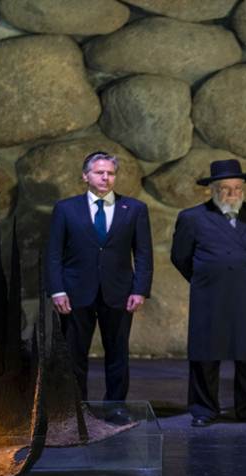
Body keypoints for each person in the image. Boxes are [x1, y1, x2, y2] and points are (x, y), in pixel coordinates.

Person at [47, 151, 152, 418]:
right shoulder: (66, 209)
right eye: (99, 172)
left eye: (110, 173)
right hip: (75, 292)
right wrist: (57, 289)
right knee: (74, 354)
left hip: (118, 292)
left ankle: (116, 406)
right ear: (85, 176)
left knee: (118, 353)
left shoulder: (135, 209)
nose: (105, 177)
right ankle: (75, 407)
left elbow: (143, 253)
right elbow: (54, 254)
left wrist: (139, 289)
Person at [171, 160, 246, 427]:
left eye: (237, 188)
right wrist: (206, 278)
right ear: (213, 190)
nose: (232, 194)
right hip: (210, 297)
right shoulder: (193, 218)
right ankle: (204, 410)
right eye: (225, 188)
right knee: (206, 356)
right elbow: (180, 256)